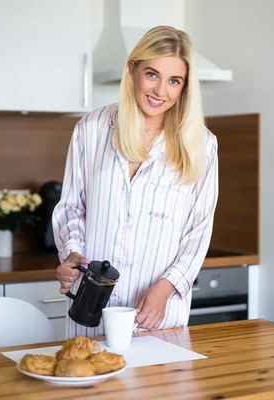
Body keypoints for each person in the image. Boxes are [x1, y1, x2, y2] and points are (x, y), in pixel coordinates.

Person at [52, 25, 219, 339]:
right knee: (87, 385)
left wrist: (165, 288)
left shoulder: (203, 145)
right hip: (89, 309)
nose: (160, 91)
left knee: (156, 387)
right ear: (133, 70)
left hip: (156, 312)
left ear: (184, 87)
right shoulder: (92, 128)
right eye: (152, 74)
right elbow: (72, 208)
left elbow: (199, 230)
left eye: (174, 81)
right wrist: (72, 255)